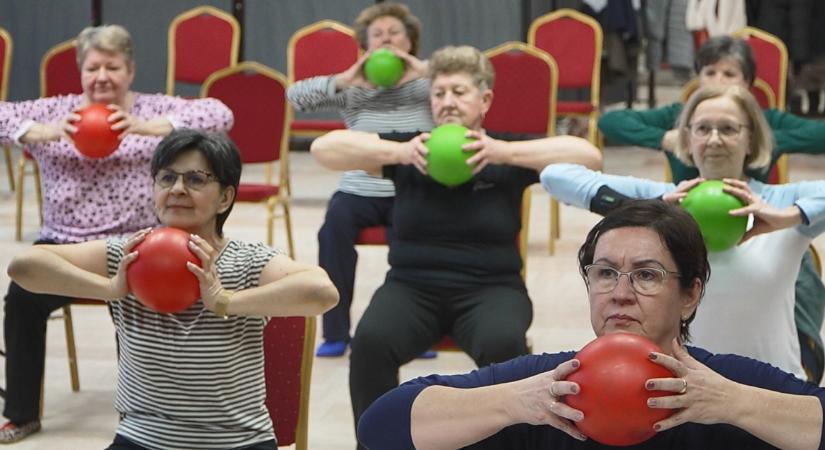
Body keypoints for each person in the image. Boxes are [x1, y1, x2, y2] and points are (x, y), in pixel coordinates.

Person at [311, 45, 602, 449]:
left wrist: (504, 153)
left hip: (492, 287)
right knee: (371, 343)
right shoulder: (413, 147)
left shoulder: (506, 151)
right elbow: (322, 149)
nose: (447, 101)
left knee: (505, 346)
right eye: (439, 92)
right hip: (411, 285)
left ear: (484, 101)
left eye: (459, 92)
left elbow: (589, 155)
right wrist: (400, 152)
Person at [357, 201, 825, 450]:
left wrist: (736, 404)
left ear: (691, 294)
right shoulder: (549, 387)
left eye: (646, 275)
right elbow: (380, 428)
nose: (620, 293)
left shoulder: (725, 387)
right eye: (604, 273)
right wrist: (515, 402)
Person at [7, 129, 338, 450]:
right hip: (142, 439)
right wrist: (109, 288)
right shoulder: (128, 254)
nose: (178, 189)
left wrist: (226, 300)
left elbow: (322, 291)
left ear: (225, 197)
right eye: (167, 178)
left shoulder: (247, 261)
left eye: (195, 179)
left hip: (236, 442)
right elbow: (25, 267)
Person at [0, 25, 234, 443]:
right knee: (21, 295)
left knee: (150, 306)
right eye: (92, 68)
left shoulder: (148, 108)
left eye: (112, 66)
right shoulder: (58, 111)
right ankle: (21, 413)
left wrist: (148, 127)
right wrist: (36, 132)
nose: (102, 76)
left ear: (129, 70)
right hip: (64, 243)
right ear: (80, 71)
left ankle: (153, 413)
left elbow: (220, 113)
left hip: (139, 243)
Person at [543, 85, 825, 380]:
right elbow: (555, 177)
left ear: (751, 140)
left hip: (771, 390)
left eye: (728, 129)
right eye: (703, 129)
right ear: (688, 140)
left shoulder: (778, 202)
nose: (714, 140)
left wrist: (790, 216)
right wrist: (648, 208)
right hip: (683, 393)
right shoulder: (665, 199)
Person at [287, 2, 434, 357]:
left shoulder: (430, 86)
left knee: (417, 244)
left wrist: (422, 70)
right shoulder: (354, 88)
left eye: (394, 34)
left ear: (410, 41)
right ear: (365, 46)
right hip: (359, 189)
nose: (386, 41)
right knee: (332, 229)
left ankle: (419, 332)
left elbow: (472, 82)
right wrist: (346, 78)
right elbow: (294, 97)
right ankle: (336, 333)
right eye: (377, 36)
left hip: (412, 188)